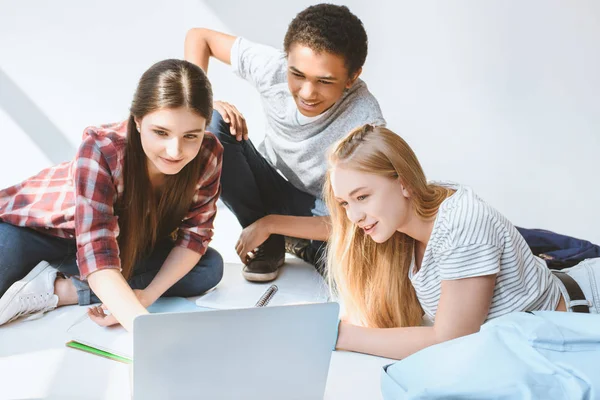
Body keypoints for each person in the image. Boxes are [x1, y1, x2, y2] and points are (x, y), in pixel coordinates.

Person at [325, 124, 600, 360]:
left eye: (362, 197)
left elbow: (451, 340)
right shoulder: (401, 228)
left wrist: (340, 336)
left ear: (404, 183)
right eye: (344, 203)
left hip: (587, 311)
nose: (354, 216)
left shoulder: (460, 224)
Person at [0, 59, 224, 331]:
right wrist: (145, 330)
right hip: (38, 233)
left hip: (115, 242)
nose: (175, 151)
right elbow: (97, 252)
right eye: (161, 132)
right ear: (138, 120)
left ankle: (58, 290)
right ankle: (81, 283)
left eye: (191, 135)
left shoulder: (208, 154)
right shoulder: (102, 148)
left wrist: (144, 297)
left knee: (209, 267)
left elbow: (194, 236)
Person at [185, 4, 385, 282]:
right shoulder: (273, 66)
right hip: (266, 182)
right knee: (211, 123)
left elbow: (358, 218)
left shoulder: (365, 122)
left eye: (324, 81)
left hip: (323, 212)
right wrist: (201, 103)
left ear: (352, 77)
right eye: (298, 75)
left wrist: (271, 224)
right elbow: (199, 37)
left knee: (356, 278)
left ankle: (295, 238)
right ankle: (272, 240)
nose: (307, 93)